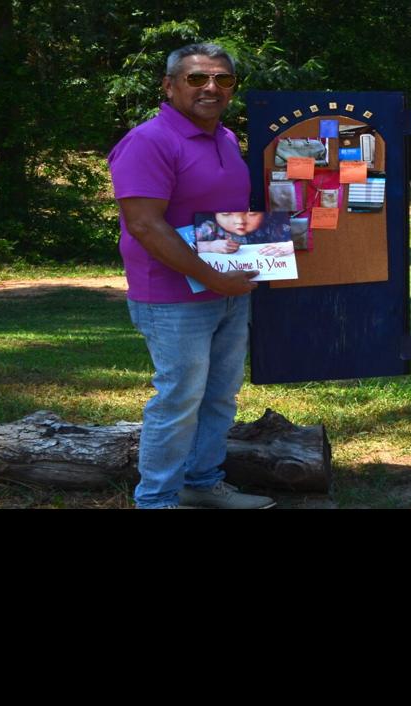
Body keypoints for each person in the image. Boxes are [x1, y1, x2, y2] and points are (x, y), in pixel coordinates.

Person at [108, 43, 274, 509]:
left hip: (226, 289)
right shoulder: (148, 141)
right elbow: (144, 225)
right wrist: (212, 277)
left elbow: (225, 218)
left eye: (223, 79)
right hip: (171, 298)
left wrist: (243, 265)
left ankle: (202, 484)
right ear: (169, 85)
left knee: (219, 397)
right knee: (178, 401)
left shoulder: (224, 138)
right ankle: (156, 500)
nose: (211, 87)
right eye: (197, 78)